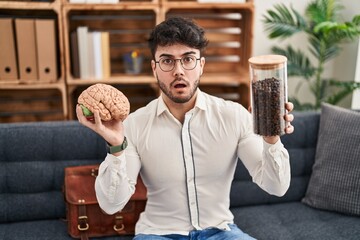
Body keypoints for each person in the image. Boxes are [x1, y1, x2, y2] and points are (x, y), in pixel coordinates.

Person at [76, 17, 295, 240]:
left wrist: (271, 140)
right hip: (157, 234)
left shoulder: (234, 116)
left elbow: (276, 187)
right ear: (154, 68)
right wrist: (116, 147)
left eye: (188, 59)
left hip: (220, 232)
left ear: (201, 65)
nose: (178, 70)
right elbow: (111, 206)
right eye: (167, 61)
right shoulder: (134, 125)